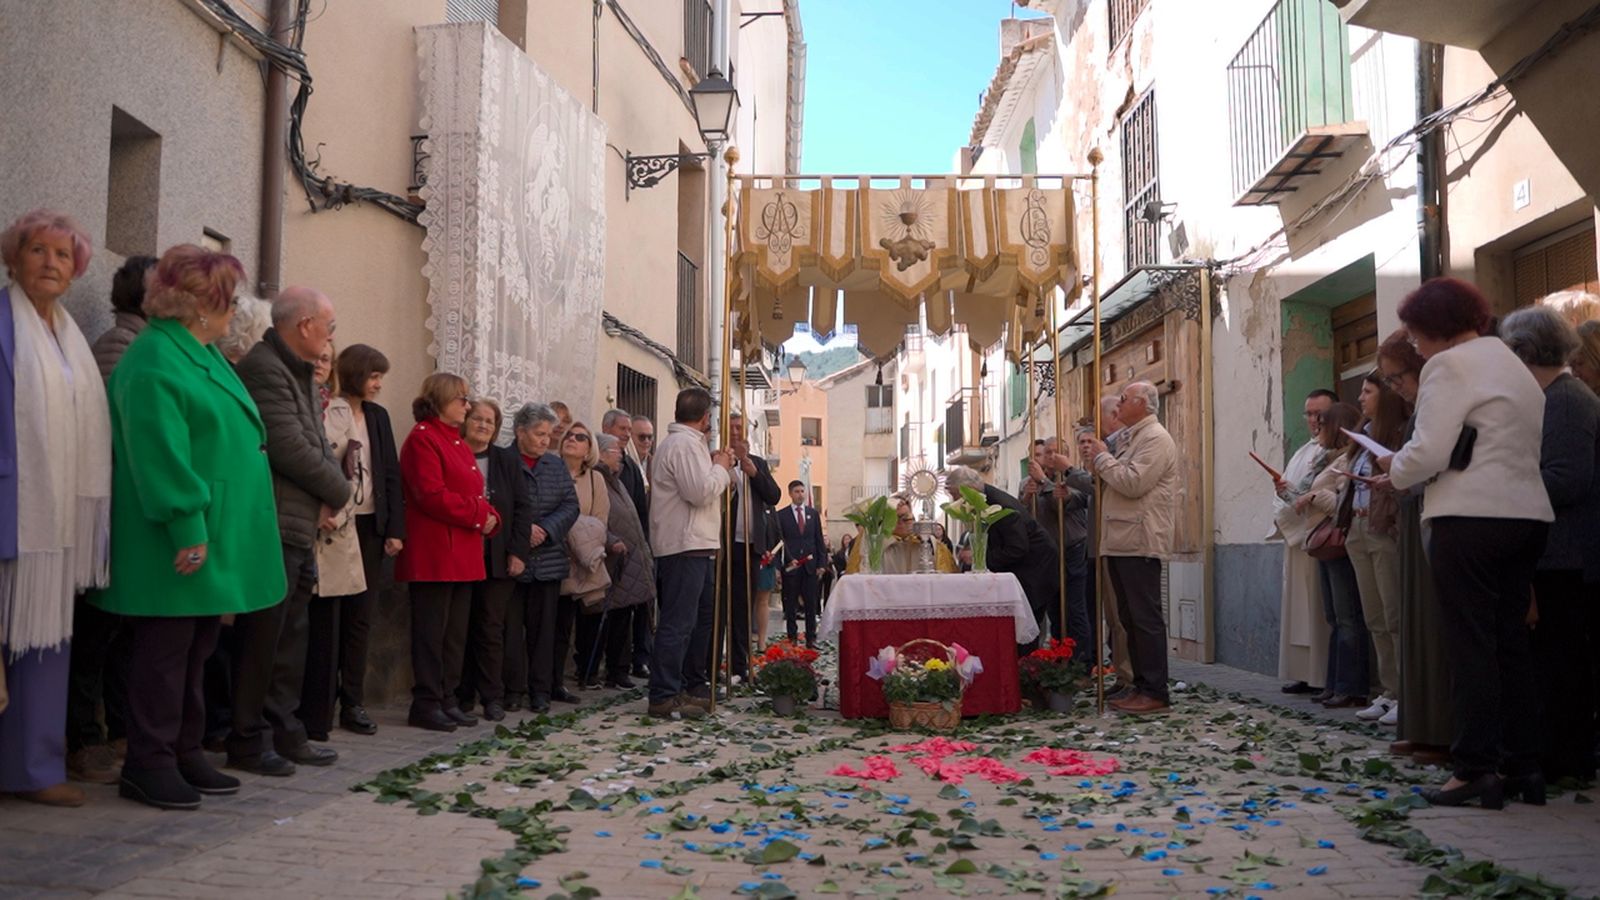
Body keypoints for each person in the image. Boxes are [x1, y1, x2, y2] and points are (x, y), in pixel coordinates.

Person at [91, 244, 285, 810]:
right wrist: (186, 526)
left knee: (197, 643)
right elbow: (159, 454)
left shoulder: (195, 350)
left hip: (212, 529)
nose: (235, 307)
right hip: (177, 534)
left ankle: (183, 748)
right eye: (227, 296)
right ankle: (147, 761)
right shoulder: (154, 357)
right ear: (200, 302)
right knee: (165, 648)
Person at [1383, 277, 1553, 808]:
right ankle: (1524, 766)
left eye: (1414, 336)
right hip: (1526, 516)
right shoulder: (1511, 364)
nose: (1415, 346)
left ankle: (1475, 767)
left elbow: (1430, 450)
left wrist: (1394, 467)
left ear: (1435, 330)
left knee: (1470, 645)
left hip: (1469, 516)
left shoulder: (1448, 365)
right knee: (1510, 644)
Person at [0, 210, 113, 808]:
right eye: (38, 250)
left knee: (45, 639)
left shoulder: (70, 338)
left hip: (54, 513)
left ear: (76, 271)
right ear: (13, 258)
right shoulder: (1, 322)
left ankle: (35, 767)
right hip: (9, 500)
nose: (50, 263)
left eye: (62, 255)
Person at [230, 286, 349, 776]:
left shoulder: (296, 370)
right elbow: (287, 446)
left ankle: (284, 729)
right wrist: (339, 490)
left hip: (298, 523)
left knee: (289, 638)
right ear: (305, 326)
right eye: (330, 326)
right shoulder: (264, 366)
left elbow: (316, 441)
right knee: (264, 640)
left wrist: (328, 489)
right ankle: (246, 740)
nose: (330, 337)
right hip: (275, 521)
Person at [1500, 304, 1600, 783]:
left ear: (1525, 353)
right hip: (1555, 552)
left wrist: (1502, 484)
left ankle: (1567, 760)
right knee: (1554, 663)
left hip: (1568, 556)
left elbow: (1567, 480)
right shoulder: (1550, 398)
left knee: (1564, 665)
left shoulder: (1565, 399)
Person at [68, 254, 155, 786]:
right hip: (114, 508)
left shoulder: (150, 346)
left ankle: (123, 728)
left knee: (128, 629)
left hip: (137, 512)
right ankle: (83, 737)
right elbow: (123, 433)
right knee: (97, 629)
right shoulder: (118, 345)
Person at [303, 344, 404, 737]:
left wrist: (394, 528)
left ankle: (354, 701)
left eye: (381, 377)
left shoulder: (378, 417)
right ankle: (319, 702)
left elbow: (389, 474)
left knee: (361, 618)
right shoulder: (330, 408)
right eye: (373, 376)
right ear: (355, 374)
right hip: (335, 527)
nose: (378, 384)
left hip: (369, 527)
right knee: (329, 618)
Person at [396, 374, 498, 732]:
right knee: (431, 633)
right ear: (441, 399)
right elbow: (430, 494)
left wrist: (490, 515)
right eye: (461, 399)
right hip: (435, 554)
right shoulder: (424, 439)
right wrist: (478, 515)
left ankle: (447, 698)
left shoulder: (454, 441)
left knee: (454, 635)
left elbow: (476, 493)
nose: (467, 406)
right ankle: (426, 702)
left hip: (463, 554)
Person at [1078, 381, 1178, 716]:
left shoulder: (1156, 439)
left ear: (1144, 404)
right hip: (1121, 540)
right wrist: (1097, 460)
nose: (1118, 404)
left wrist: (1104, 459)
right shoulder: (1131, 436)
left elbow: (1133, 483)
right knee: (1128, 617)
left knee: (1144, 617)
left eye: (1124, 398)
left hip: (1141, 539)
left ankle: (1156, 690)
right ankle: (1139, 685)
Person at [1375, 330, 1451, 765]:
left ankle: (1438, 729)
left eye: (1397, 376)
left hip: (1435, 516)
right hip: (1416, 512)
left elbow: (1437, 459)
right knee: (1415, 624)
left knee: (1431, 627)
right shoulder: (1418, 407)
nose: (1395, 386)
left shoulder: (1439, 400)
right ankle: (1422, 725)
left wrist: (1399, 468)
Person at [647, 388, 733, 719]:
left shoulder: (686, 445)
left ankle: (681, 685)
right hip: (685, 544)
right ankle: (663, 694)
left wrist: (713, 466)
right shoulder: (683, 445)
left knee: (691, 621)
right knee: (677, 622)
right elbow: (698, 492)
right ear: (705, 418)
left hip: (695, 543)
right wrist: (722, 467)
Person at [1282, 403, 1371, 710]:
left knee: (1348, 618)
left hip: (1338, 543)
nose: (1315, 428)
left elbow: (1342, 505)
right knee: (1335, 618)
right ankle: (1335, 684)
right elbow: (1306, 500)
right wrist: (1289, 492)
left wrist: (1314, 495)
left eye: (1322, 423)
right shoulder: (1324, 460)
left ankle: (1352, 686)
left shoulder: (1348, 460)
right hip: (1321, 544)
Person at [300, 343, 365, 742]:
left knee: (327, 633)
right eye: (314, 358)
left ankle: (317, 721)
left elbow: (357, 472)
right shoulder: (290, 403)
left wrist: (337, 510)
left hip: (337, 531)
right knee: (292, 633)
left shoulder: (341, 410)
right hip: (298, 527)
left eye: (327, 359)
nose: (320, 365)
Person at [455, 399, 533, 722]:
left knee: (490, 626)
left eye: (490, 420)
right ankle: (461, 695)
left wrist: (518, 552)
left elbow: (522, 507)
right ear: (466, 420)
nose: (484, 425)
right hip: (459, 555)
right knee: (459, 627)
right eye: (478, 418)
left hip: (497, 557)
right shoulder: (455, 453)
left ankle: (491, 696)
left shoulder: (505, 460)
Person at [508, 403, 579, 713]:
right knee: (509, 631)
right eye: (539, 434)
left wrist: (546, 530)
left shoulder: (555, 465)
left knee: (543, 632)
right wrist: (525, 532)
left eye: (549, 435)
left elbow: (570, 505)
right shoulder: (505, 461)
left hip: (548, 560)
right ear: (521, 432)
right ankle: (511, 689)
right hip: (513, 559)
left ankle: (540, 690)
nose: (545, 441)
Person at [944, 466, 1059, 653]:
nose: (954, 500)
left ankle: (1025, 673)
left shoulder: (999, 505)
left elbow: (1017, 548)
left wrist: (979, 558)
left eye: (955, 494)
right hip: (1023, 569)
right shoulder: (983, 501)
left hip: (1034, 571)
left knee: (1024, 629)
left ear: (969, 490)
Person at [1271, 389, 1335, 696]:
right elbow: (1295, 494)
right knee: (1299, 612)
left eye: (1319, 413)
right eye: (1308, 414)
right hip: (1297, 538)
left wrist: (1296, 498)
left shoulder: (1333, 452)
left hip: (1318, 537)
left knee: (1319, 612)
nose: (1313, 420)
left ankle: (1323, 675)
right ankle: (1304, 673)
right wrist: (1284, 492)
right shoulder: (1303, 452)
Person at [588, 434, 654, 688]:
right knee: (600, 619)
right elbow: (594, 517)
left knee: (622, 618)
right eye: (616, 451)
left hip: (627, 561)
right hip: (609, 559)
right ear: (602, 453)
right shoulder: (597, 479)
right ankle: (594, 670)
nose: (621, 456)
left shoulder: (618, 479)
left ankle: (618, 670)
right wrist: (611, 539)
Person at [720, 412, 780, 679]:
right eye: (731, 426)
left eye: (739, 427)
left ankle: (740, 664)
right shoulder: (718, 460)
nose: (735, 431)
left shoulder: (757, 463)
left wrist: (754, 473)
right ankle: (713, 663)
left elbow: (774, 495)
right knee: (721, 606)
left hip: (750, 546)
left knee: (744, 608)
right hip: (724, 544)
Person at [1024, 437, 1092, 648]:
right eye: (1047, 453)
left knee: (1074, 608)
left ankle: (1081, 660)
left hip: (1072, 548)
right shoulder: (1030, 481)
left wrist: (1044, 481)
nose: (1050, 457)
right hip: (1047, 552)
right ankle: (1057, 656)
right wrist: (1026, 497)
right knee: (1054, 609)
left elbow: (1063, 505)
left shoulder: (1074, 478)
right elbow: (1024, 516)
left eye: (1055, 452)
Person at [561, 421, 612, 690]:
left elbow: (601, 519)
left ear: (589, 448)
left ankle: (587, 673)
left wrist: (582, 538)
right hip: (558, 555)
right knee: (558, 621)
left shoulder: (595, 479)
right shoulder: (552, 471)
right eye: (568, 435)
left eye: (580, 437)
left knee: (589, 616)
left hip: (586, 556)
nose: (572, 439)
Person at [842, 496, 958, 574]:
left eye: (907, 518)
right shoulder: (872, 543)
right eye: (897, 518)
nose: (904, 523)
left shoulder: (930, 543)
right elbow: (857, 574)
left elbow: (946, 578)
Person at [777, 480, 826, 647]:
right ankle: (792, 637)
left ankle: (811, 638)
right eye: (797, 491)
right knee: (790, 604)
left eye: (802, 491)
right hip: (792, 567)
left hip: (810, 567)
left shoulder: (813, 514)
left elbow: (819, 540)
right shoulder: (781, 515)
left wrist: (822, 563)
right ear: (790, 493)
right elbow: (779, 542)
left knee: (811, 603)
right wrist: (781, 564)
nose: (800, 494)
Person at [602, 409, 649, 538]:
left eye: (629, 430)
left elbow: (640, 511)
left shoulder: (632, 467)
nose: (627, 434)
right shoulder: (591, 461)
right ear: (606, 429)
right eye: (622, 429)